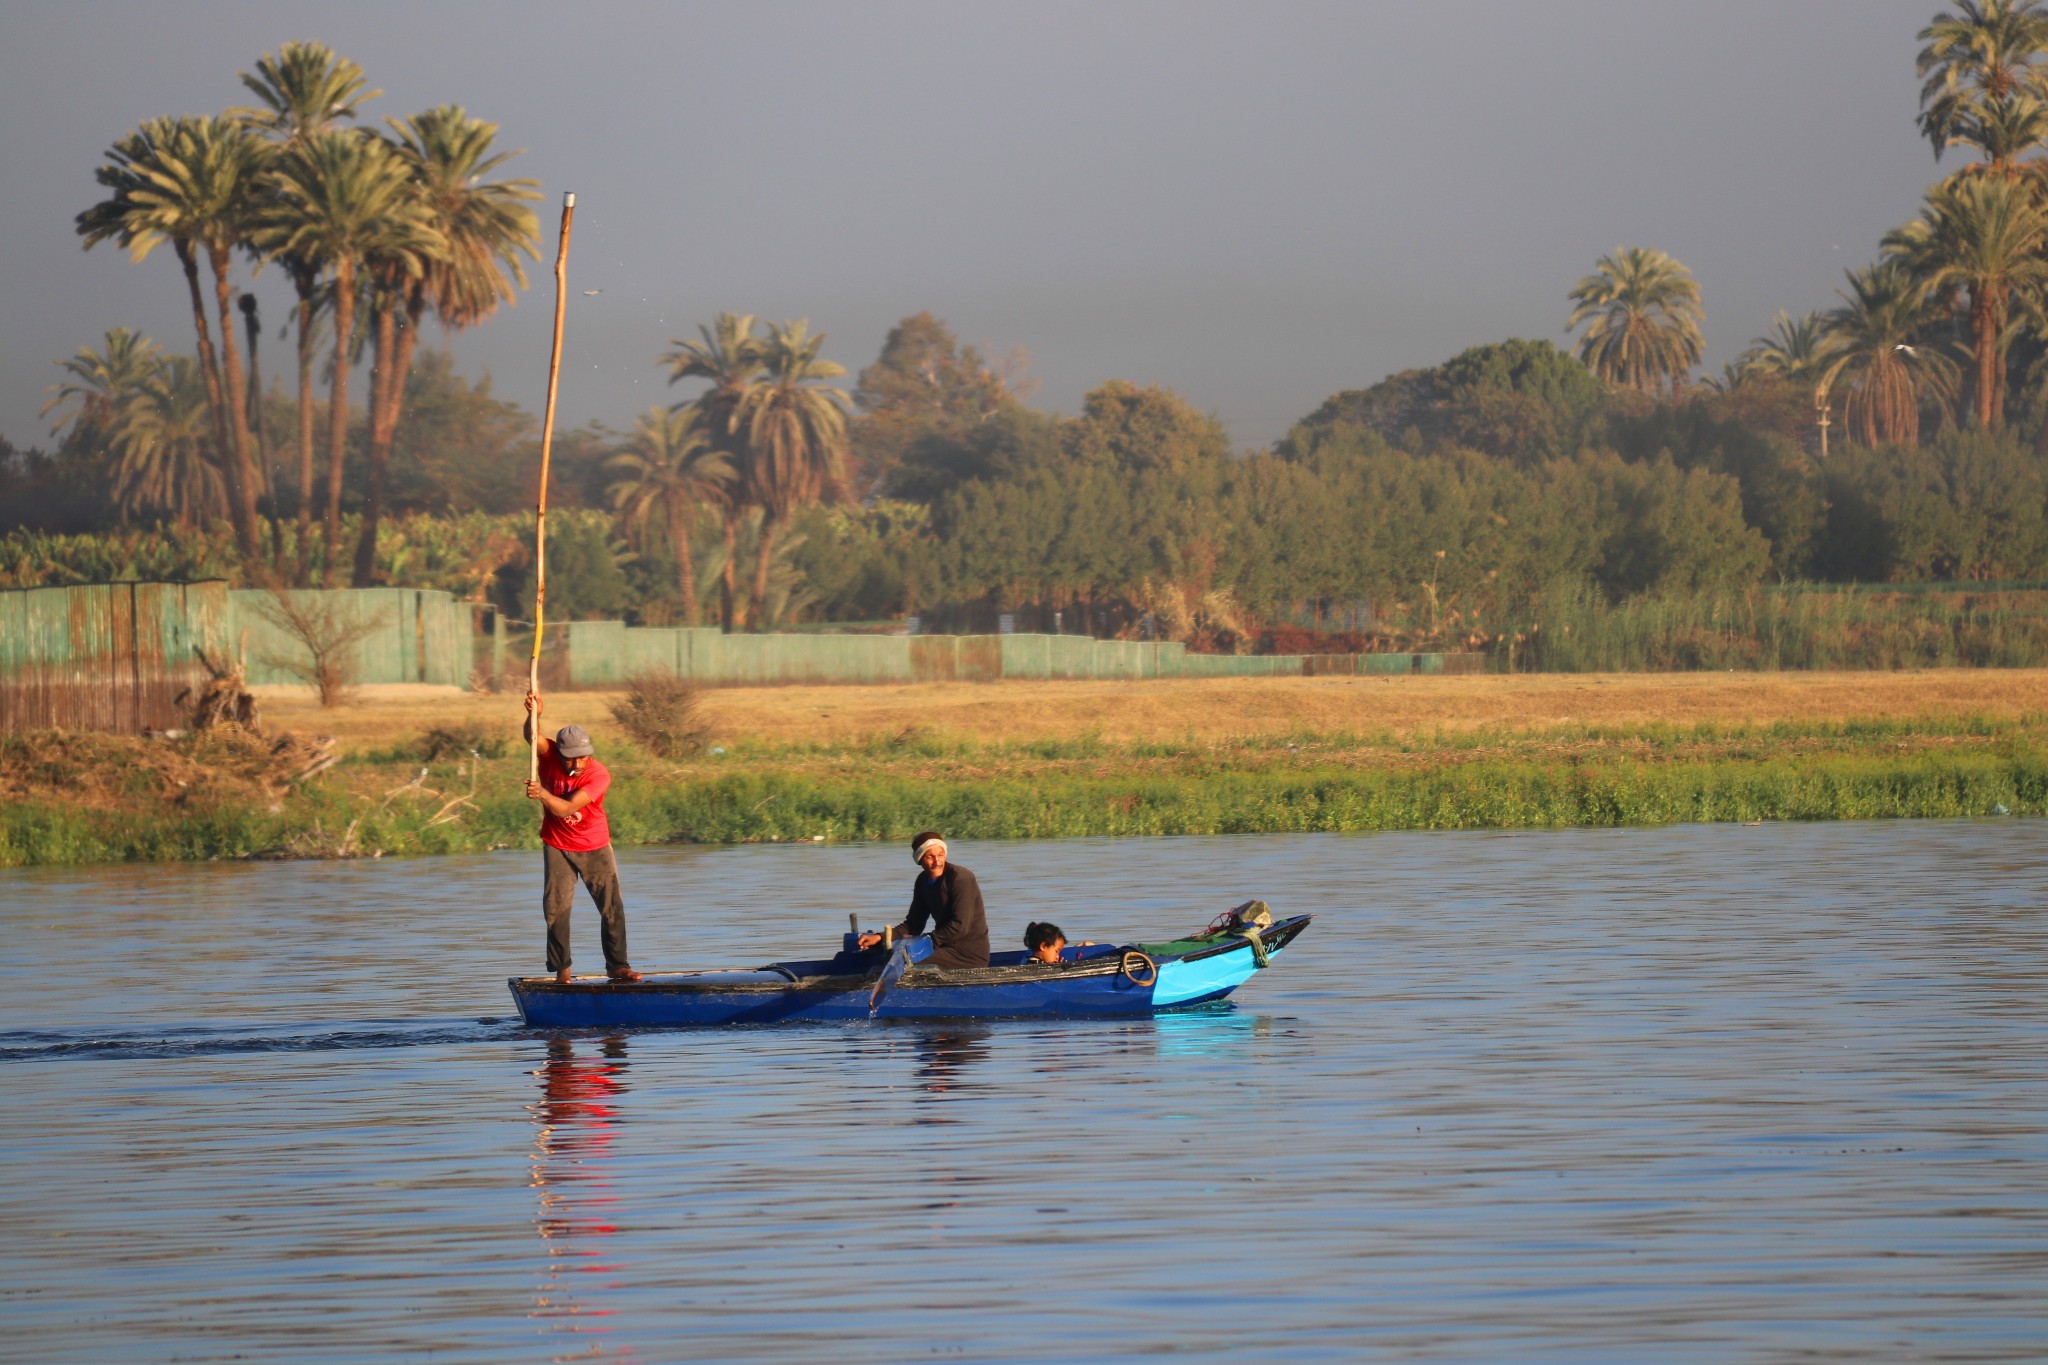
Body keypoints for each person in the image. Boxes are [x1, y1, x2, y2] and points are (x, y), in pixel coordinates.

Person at [524, 692, 640, 985]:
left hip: (594, 845)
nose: (580, 761)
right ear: (560, 754)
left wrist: (543, 794)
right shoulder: (548, 754)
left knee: (611, 905)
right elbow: (532, 737)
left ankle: (617, 966)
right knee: (556, 907)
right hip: (557, 844)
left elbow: (565, 808)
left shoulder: (598, 774)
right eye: (573, 757)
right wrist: (534, 714)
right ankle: (562, 972)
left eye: (584, 755)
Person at [858, 831, 989, 969]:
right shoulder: (922, 881)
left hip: (968, 955)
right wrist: (881, 937)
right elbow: (913, 925)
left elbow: (959, 926)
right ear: (920, 859)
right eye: (930, 857)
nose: (937, 861)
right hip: (944, 947)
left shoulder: (961, 878)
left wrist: (925, 942)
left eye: (940, 855)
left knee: (904, 957)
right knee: (886, 953)